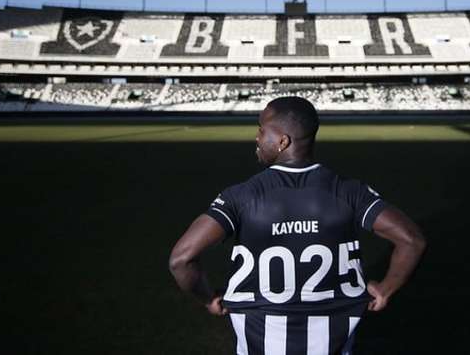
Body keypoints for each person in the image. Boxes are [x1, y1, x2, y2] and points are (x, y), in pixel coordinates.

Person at [169, 96, 426, 354]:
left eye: (261, 130)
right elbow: (411, 240)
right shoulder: (350, 192)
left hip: (260, 336)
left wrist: (209, 298)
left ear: (283, 141)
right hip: (332, 340)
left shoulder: (241, 196)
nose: (257, 138)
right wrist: (385, 289)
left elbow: (181, 259)